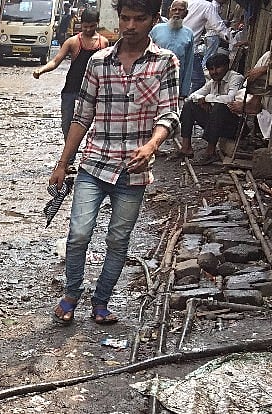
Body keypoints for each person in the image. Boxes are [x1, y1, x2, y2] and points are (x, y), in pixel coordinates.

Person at [48, 0, 179, 325]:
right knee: (78, 233)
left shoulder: (166, 63)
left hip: (133, 172)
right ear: (118, 19)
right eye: (125, 18)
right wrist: (63, 162)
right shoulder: (98, 62)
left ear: (154, 20)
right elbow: (82, 115)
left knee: (118, 240)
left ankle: (101, 301)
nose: (131, 26)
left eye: (139, 19)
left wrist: (151, 146)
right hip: (94, 165)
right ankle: (72, 294)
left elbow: (170, 113)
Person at [34, 8, 109, 144]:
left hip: (93, 91)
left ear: (97, 23)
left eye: (92, 26)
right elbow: (56, 61)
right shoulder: (73, 42)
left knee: (94, 125)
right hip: (71, 89)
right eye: (85, 26)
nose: (88, 29)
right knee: (67, 123)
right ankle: (70, 157)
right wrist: (42, 70)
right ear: (81, 24)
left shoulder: (103, 43)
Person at [176, 53, 244, 164]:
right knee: (189, 105)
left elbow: (230, 99)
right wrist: (202, 100)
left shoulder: (236, 78)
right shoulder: (212, 82)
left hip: (234, 125)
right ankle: (186, 147)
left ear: (226, 66)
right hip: (216, 122)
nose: (214, 72)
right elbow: (193, 96)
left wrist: (207, 99)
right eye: (211, 69)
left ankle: (210, 151)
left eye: (218, 68)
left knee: (219, 108)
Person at [233, 15, 272, 145]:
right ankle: (255, 101)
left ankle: (255, 102)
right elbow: (251, 78)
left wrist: (265, 69)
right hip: (270, 97)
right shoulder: (270, 54)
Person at [150, 0, 195, 97]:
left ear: (186, 13)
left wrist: (184, 91)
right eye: (174, 9)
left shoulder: (189, 34)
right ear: (169, 11)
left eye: (180, 10)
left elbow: (188, 64)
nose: (177, 12)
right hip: (155, 79)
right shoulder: (156, 29)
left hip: (176, 80)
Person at [183, 0, 228, 92]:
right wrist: (233, 41)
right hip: (191, 48)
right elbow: (218, 25)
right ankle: (190, 101)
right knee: (198, 80)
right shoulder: (208, 6)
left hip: (182, 46)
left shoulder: (187, 2)